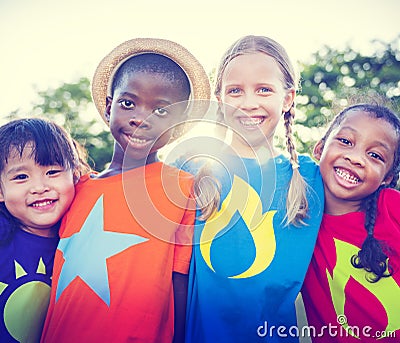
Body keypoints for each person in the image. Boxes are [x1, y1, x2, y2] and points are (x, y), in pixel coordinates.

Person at [41, 38, 211, 343]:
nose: (139, 118)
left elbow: (180, 281)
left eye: (161, 111)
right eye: (128, 103)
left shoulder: (182, 188)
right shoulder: (75, 188)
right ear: (109, 107)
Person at [180, 35, 324, 343]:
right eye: (235, 91)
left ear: (287, 98)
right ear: (219, 99)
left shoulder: (312, 180)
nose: (248, 103)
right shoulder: (190, 166)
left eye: (264, 89)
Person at [302, 102, 400, 342]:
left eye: (375, 155)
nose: (356, 158)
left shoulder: (392, 207)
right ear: (320, 148)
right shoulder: (298, 216)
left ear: (387, 177)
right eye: (345, 141)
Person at [0, 118, 88, 343]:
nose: (40, 187)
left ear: (75, 174)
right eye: (21, 177)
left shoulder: (86, 237)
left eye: (52, 172)